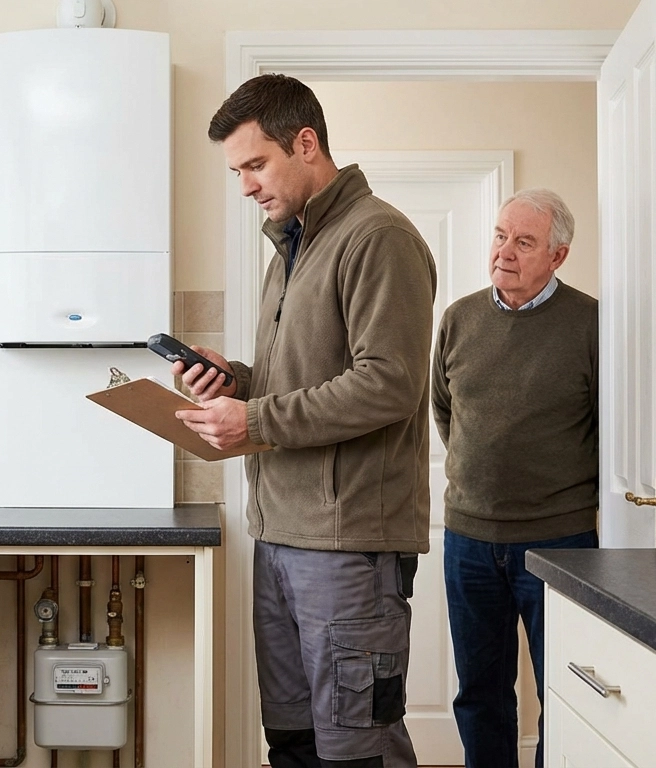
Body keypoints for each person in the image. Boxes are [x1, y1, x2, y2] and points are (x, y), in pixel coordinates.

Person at [172, 73, 437, 768]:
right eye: (237, 171)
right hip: (281, 533)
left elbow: (390, 385)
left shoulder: (377, 236)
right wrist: (232, 381)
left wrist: (254, 416)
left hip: (348, 546)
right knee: (293, 743)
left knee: (359, 748)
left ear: (307, 143)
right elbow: (302, 385)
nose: (246, 186)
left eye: (255, 165)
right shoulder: (291, 249)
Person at [431, 188, 599, 768]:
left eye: (524, 242)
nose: (505, 251)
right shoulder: (459, 318)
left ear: (558, 256)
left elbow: (610, 430)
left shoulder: (591, 323)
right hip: (467, 540)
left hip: (560, 544)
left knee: (566, 689)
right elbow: (445, 411)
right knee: (479, 693)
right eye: (501, 236)